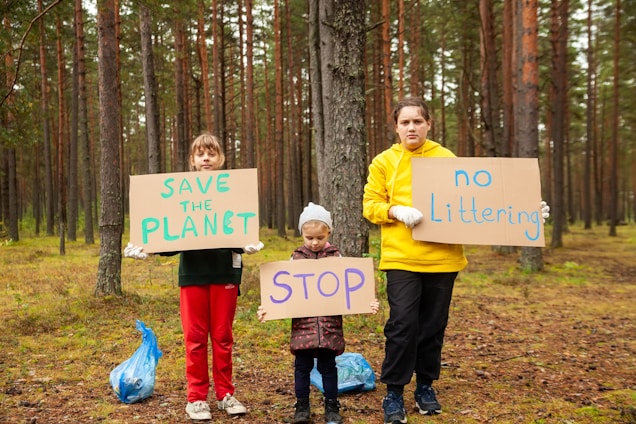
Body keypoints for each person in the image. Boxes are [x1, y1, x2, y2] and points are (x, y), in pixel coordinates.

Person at [362, 97, 549, 424]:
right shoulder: (383, 162)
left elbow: (475, 201)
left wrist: (527, 211)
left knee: (433, 326)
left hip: (444, 259)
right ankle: (394, 392)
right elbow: (370, 205)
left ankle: (425, 387)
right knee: (402, 325)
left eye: (417, 121)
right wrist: (394, 210)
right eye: (405, 122)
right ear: (395, 127)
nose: (411, 127)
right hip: (401, 259)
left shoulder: (445, 158)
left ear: (428, 124)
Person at [125, 132, 264, 421]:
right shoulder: (181, 193)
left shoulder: (232, 191)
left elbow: (238, 227)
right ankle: (197, 398)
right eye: (200, 154)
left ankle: (225, 394)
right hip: (192, 276)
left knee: (223, 337)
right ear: (192, 160)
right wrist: (147, 248)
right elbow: (171, 233)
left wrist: (245, 245)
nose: (206, 158)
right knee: (195, 338)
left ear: (220, 158)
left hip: (225, 273)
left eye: (211, 153)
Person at [256, 202, 380, 424]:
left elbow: (351, 289)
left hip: (329, 327)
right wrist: (268, 309)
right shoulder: (295, 259)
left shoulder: (337, 259)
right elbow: (283, 292)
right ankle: (301, 406)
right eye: (309, 238)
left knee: (328, 367)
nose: (314, 243)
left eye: (320, 238)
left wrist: (367, 303)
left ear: (328, 234)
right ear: (302, 234)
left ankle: (332, 405)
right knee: (301, 368)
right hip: (303, 328)